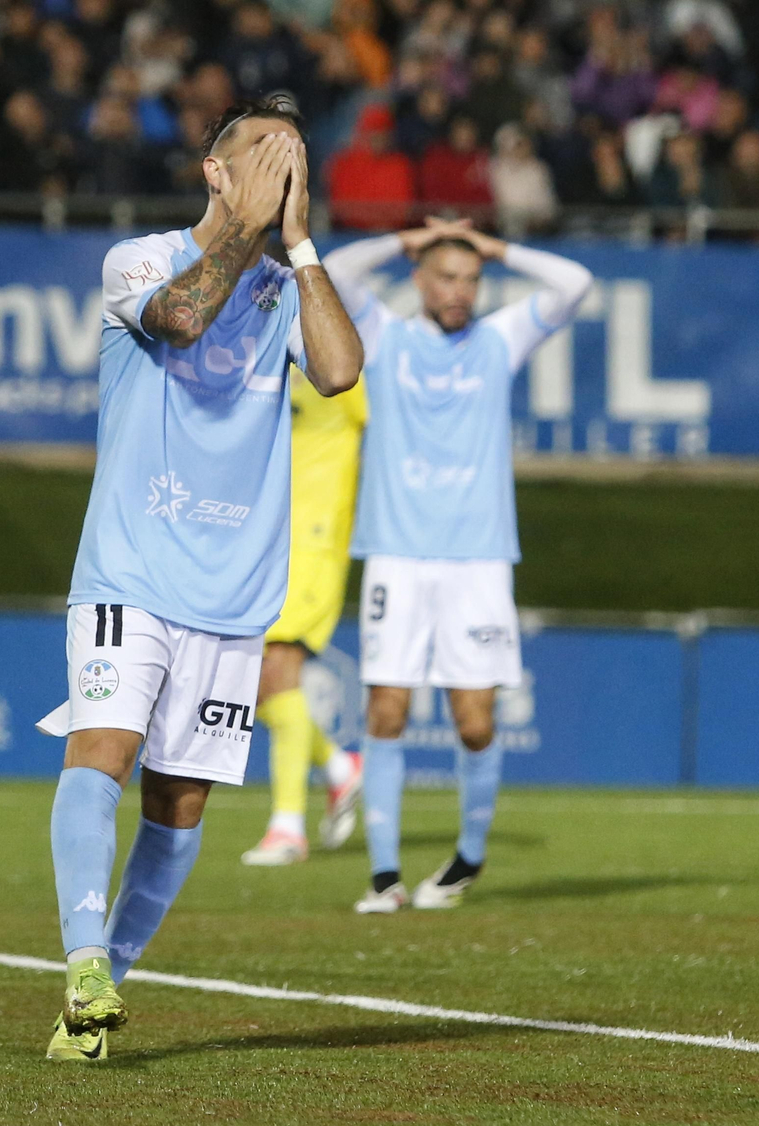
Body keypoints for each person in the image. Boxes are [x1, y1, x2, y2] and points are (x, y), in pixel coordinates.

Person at [37, 96, 363, 1062]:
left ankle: (93, 1006)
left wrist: (298, 250)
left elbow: (342, 373)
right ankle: (85, 957)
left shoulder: (282, 286)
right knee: (103, 748)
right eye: (262, 156)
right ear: (215, 173)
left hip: (233, 593)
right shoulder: (138, 260)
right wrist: (248, 235)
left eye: (294, 160)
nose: (279, 172)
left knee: (179, 808)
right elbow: (181, 317)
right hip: (129, 571)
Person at [319, 216, 592, 914]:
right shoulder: (386, 335)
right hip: (397, 554)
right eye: (446, 275)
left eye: (471, 279)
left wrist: (498, 248)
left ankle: (468, 855)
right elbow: (333, 270)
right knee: (387, 710)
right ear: (419, 278)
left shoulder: (501, 339)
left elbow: (576, 283)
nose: (460, 290)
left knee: (475, 722)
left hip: (477, 560)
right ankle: (384, 878)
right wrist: (404, 236)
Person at [238, 370, 368, 867]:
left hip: (313, 541)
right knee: (255, 686)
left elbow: (389, 427)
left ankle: (287, 828)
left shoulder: (342, 362)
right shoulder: (271, 355)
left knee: (276, 670)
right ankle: (338, 767)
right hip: (267, 537)